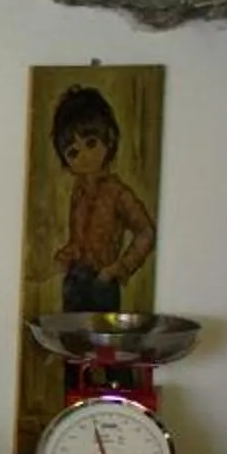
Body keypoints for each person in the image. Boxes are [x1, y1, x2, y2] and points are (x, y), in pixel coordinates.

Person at [48, 85, 154, 314]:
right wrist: (69, 252)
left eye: (91, 143)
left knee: (102, 345)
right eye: (73, 152)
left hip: (103, 282)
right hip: (74, 279)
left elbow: (146, 231)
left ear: (110, 138)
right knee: (72, 340)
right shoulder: (78, 192)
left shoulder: (118, 192)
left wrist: (120, 267)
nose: (84, 157)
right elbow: (80, 238)